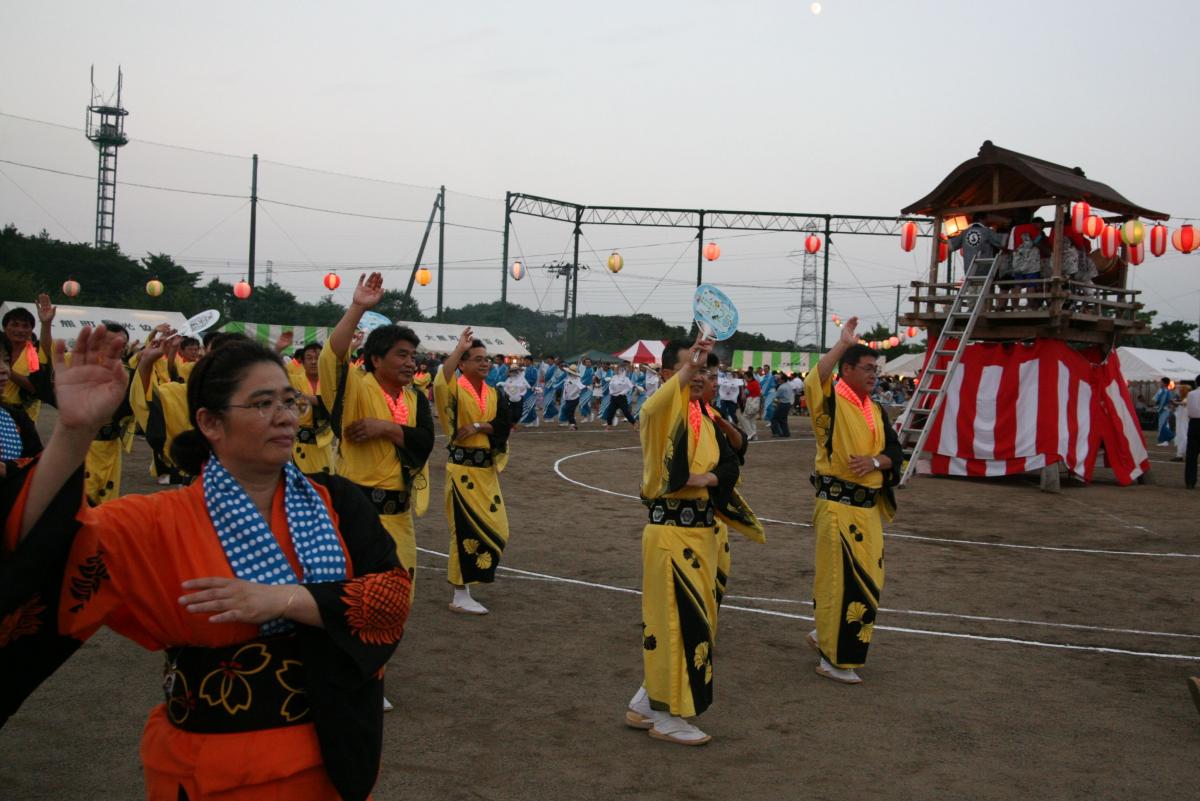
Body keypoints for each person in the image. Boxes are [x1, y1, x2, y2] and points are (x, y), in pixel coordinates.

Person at [3, 326, 412, 800]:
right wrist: (74, 433)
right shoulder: (156, 521)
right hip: (208, 771)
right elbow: (37, 550)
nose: (285, 418)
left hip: (330, 758)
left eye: (289, 401)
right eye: (263, 404)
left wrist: (283, 599)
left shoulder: (337, 501)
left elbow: (391, 599)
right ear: (211, 423)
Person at [623, 333, 762, 746]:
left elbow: (732, 464)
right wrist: (689, 368)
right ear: (668, 374)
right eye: (691, 366)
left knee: (692, 623)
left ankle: (649, 702)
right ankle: (669, 715)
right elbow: (652, 408)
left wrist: (713, 476)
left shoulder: (703, 415)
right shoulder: (662, 412)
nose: (700, 374)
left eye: (705, 367)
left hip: (701, 532)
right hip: (671, 533)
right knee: (676, 624)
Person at [320, 272, 434, 611]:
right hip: (359, 514)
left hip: (399, 516)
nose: (411, 362)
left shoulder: (414, 399)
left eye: (413, 355)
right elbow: (334, 355)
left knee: (398, 601)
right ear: (375, 359)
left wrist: (384, 428)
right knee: (359, 601)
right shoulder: (357, 387)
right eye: (401, 355)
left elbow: (424, 441)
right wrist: (357, 306)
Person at [804, 317, 903, 685]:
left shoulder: (876, 409)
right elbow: (818, 375)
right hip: (838, 506)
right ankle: (833, 657)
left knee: (869, 580)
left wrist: (877, 461)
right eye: (867, 368)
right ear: (846, 369)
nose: (874, 374)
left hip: (869, 509)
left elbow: (894, 449)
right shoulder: (830, 401)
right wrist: (842, 343)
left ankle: (824, 635)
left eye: (875, 369)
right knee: (839, 581)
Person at [433, 328, 513, 615]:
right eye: (477, 359)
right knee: (462, 529)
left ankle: (468, 583)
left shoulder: (493, 393)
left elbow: (503, 424)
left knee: (499, 528)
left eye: (486, 359)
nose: (484, 363)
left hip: (486, 471)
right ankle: (459, 591)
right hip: (462, 470)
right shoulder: (454, 389)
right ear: (462, 364)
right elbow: (441, 382)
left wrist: (480, 426)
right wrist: (458, 348)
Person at [288, 341, 335, 475]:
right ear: (302, 361)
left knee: (325, 486)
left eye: (318, 358)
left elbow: (331, 404)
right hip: (299, 447)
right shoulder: (293, 381)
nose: (314, 362)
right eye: (309, 358)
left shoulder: (330, 383)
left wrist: (302, 396)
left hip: (323, 446)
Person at [1185, 375, 1200, 490]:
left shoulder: (1191, 394)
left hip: (1194, 424)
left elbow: (1189, 411)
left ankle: (1190, 481)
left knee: (1192, 455)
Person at [561, 366, 585, 430]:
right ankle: (573, 425)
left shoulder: (577, 380)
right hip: (567, 398)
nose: (568, 373)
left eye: (570, 372)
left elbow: (581, 387)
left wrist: (584, 387)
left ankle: (573, 424)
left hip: (574, 399)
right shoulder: (568, 378)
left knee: (567, 410)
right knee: (569, 412)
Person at [1155, 378, 1176, 446]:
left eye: (1161, 382)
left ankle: (1170, 437)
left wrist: (1159, 408)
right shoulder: (1165, 391)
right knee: (1163, 425)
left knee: (1162, 425)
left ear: (1164, 383)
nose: (1160, 383)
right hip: (1164, 409)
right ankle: (1166, 440)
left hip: (1164, 410)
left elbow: (1161, 401)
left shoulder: (1165, 391)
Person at [1174, 384, 1191, 462]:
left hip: (1183, 421)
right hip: (1182, 421)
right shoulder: (1186, 398)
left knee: (1183, 436)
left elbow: (1184, 403)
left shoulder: (1187, 398)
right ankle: (1180, 453)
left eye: (1180, 390)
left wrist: (1175, 403)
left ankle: (1181, 454)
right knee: (1182, 435)